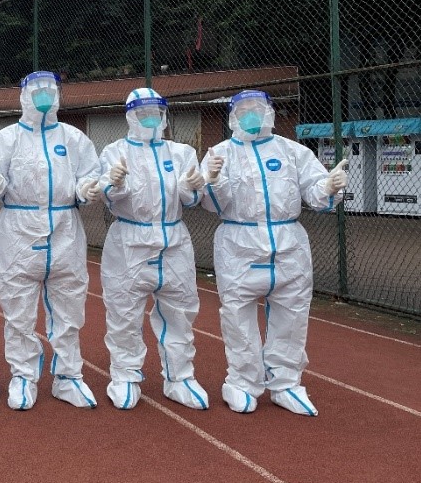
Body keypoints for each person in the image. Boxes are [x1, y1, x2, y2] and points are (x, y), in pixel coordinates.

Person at [201, 89, 346, 416]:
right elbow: (213, 205)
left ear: (270, 112)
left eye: (258, 108)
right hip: (238, 243)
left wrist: (329, 187)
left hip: (288, 242)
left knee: (292, 313)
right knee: (237, 314)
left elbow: (315, 193)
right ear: (233, 116)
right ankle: (242, 382)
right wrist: (213, 181)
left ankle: (286, 383)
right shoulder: (219, 154)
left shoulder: (292, 151)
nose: (252, 115)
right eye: (244, 110)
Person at [0, 71, 102, 411]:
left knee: (69, 306)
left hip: (65, 229)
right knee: (18, 308)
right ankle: (23, 375)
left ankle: (68, 376)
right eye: (37, 90)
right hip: (19, 231)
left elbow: (89, 175)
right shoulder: (6, 139)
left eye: (50, 89)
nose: (44, 95)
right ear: (23, 96)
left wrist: (86, 189)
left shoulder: (73, 138)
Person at [98, 88, 209, 411]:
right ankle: (125, 375)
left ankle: (179, 377)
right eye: (143, 112)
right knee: (123, 311)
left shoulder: (181, 152)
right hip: (129, 241)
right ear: (130, 116)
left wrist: (192, 187)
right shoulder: (115, 151)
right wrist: (115, 184)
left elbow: (191, 199)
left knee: (180, 311)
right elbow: (107, 194)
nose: (150, 118)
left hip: (174, 240)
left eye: (156, 112)